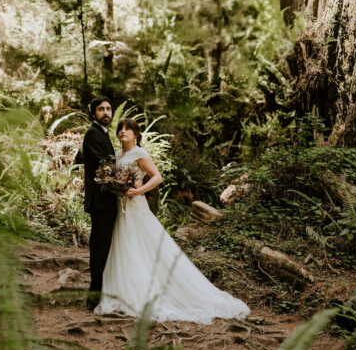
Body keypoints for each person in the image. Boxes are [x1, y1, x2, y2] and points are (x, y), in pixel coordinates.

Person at [95, 119, 250, 323]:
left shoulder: (140, 154)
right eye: (121, 129)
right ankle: (125, 294)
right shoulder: (116, 156)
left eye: (128, 129)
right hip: (120, 209)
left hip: (136, 207)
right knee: (127, 248)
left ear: (136, 134)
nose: (123, 132)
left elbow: (157, 177)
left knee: (145, 247)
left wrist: (138, 190)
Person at [81, 97, 118, 307]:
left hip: (108, 200)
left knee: (104, 247)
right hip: (101, 201)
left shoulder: (103, 133)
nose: (106, 112)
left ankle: (102, 293)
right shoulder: (92, 134)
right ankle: (94, 298)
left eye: (108, 109)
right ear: (93, 113)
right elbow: (105, 164)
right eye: (101, 109)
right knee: (99, 248)